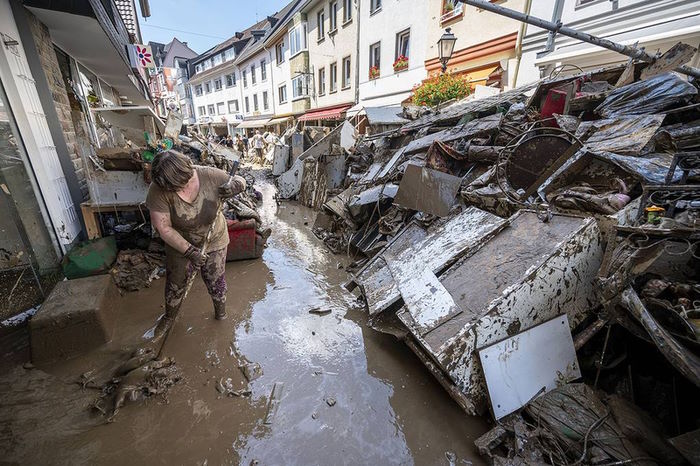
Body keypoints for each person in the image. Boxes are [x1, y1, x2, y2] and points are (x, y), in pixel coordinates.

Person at [146, 150, 247, 338]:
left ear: (187, 171)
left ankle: (220, 313)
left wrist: (235, 187)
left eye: (180, 184)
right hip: (180, 242)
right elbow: (164, 229)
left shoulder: (208, 174)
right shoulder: (158, 190)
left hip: (214, 239)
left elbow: (241, 180)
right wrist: (190, 251)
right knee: (176, 284)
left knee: (216, 280)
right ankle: (169, 317)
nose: (176, 189)